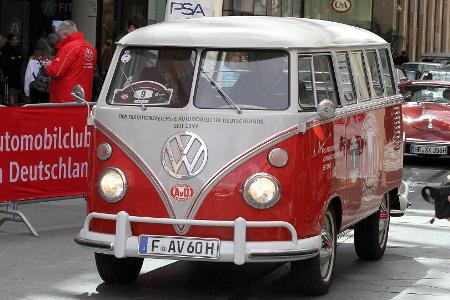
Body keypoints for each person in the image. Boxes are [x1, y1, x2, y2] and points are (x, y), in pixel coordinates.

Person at [44, 21, 97, 103]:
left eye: (59, 36)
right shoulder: (91, 48)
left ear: (65, 34)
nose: (59, 39)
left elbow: (56, 72)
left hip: (65, 97)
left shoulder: (69, 48)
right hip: (84, 96)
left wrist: (48, 66)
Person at [24, 38, 52, 103]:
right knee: (45, 107)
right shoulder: (49, 61)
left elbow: (28, 76)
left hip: (34, 87)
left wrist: (27, 91)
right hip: (46, 87)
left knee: (34, 107)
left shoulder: (32, 61)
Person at [1, 33, 23, 105]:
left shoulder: (17, 48)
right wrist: (16, 59)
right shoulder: (5, 49)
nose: (16, 41)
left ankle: (16, 107)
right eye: (14, 40)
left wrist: (15, 59)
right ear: (9, 41)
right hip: (9, 73)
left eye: (16, 40)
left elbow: (22, 59)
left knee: (17, 91)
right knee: (11, 91)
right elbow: (8, 61)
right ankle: (12, 106)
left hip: (17, 72)